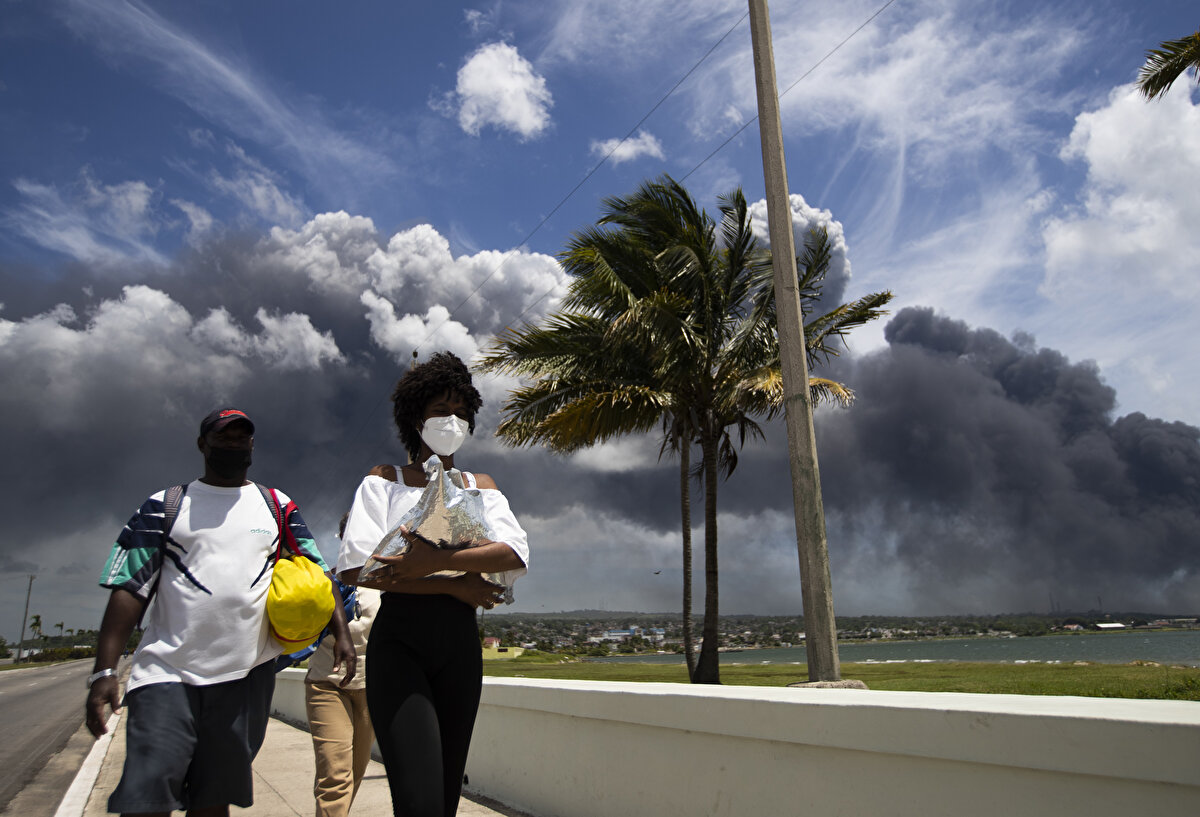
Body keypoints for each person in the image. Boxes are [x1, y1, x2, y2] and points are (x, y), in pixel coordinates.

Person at [85, 407, 356, 817]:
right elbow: (130, 588)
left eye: (241, 437)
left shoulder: (276, 506)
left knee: (213, 800)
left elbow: (319, 574)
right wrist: (105, 671)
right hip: (167, 675)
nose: (233, 443)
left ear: (252, 445)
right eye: (223, 436)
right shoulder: (165, 505)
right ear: (202, 444)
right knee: (145, 798)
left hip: (244, 678)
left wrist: (342, 636)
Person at [338, 352, 529, 817]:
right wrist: (453, 584)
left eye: (462, 413)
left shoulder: (480, 484)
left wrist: (431, 562)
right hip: (400, 644)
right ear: (415, 416)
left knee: (445, 800)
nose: (452, 421)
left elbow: (514, 552)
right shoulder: (383, 482)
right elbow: (355, 569)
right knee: (418, 801)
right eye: (442, 411)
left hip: (459, 651)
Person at [305, 513, 382, 817]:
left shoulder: (390, 584)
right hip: (327, 683)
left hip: (371, 688)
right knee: (335, 775)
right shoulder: (326, 580)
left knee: (354, 773)